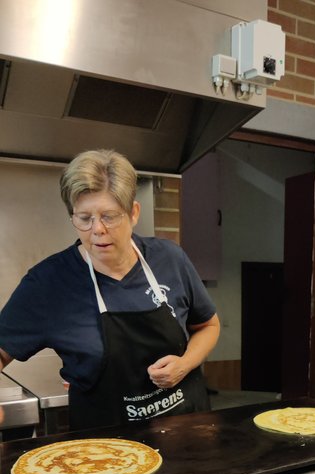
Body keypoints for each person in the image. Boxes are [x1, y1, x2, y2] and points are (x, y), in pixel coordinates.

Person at [0, 149, 220, 431]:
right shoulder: (48, 283)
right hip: (103, 450)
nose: (97, 230)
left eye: (110, 216)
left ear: (134, 213)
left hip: (184, 432)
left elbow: (208, 325)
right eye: (84, 218)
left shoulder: (169, 259)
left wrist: (185, 363)